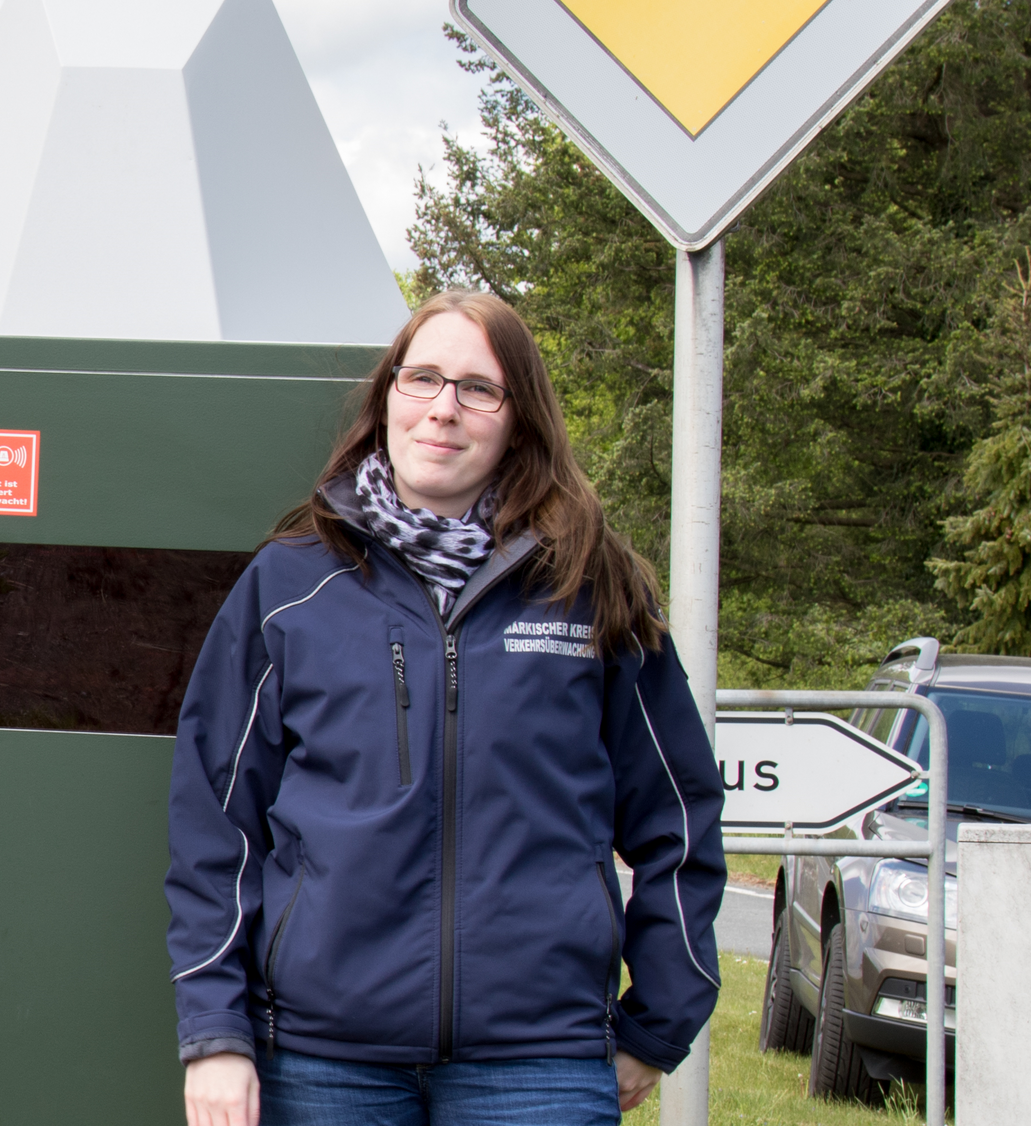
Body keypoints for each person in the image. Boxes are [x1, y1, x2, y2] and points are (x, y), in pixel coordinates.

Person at [163, 290, 724, 1126]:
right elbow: (217, 821)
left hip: (538, 1066)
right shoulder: (291, 587)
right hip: (321, 1063)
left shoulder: (589, 588)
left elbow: (678, 817)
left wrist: (658, 1022)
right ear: (389, 394)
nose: (444, 410)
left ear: (518, 418)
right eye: (421, 378)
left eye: (478, 388)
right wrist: (216, 1031)